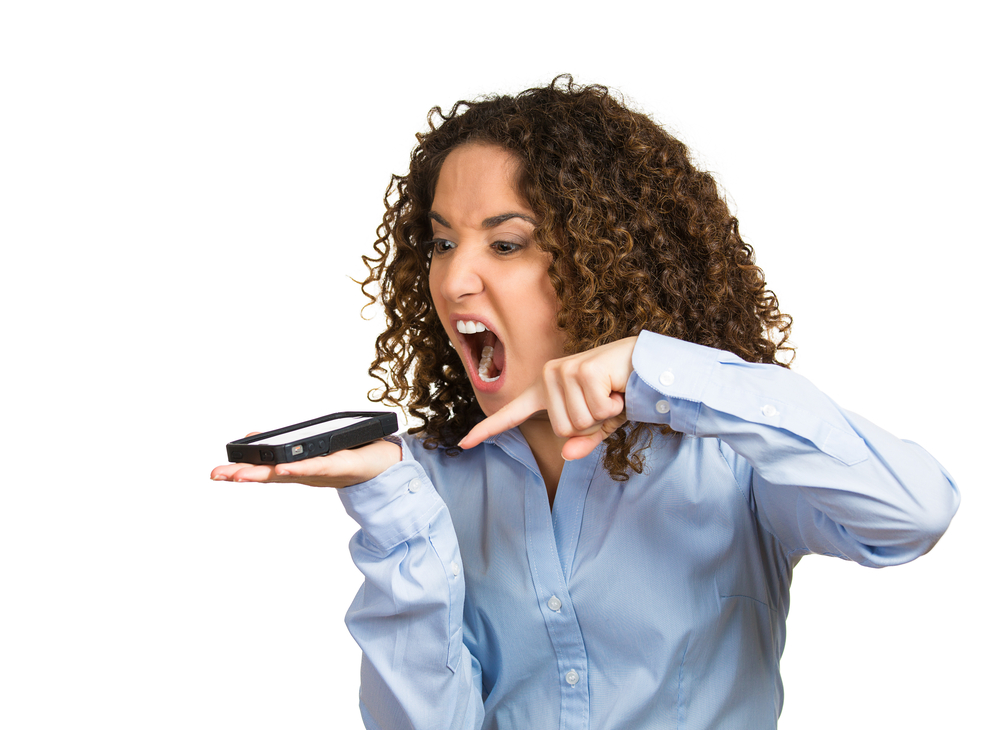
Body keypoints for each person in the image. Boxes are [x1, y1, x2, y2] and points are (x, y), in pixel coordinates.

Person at [211, 76, 960, 729]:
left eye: (505, 245)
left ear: (608, 256)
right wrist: (390, 506)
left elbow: (911, 514)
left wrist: (657, 369)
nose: (453, 280)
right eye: (442, 244)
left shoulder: (731, 456)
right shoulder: (431, 483)